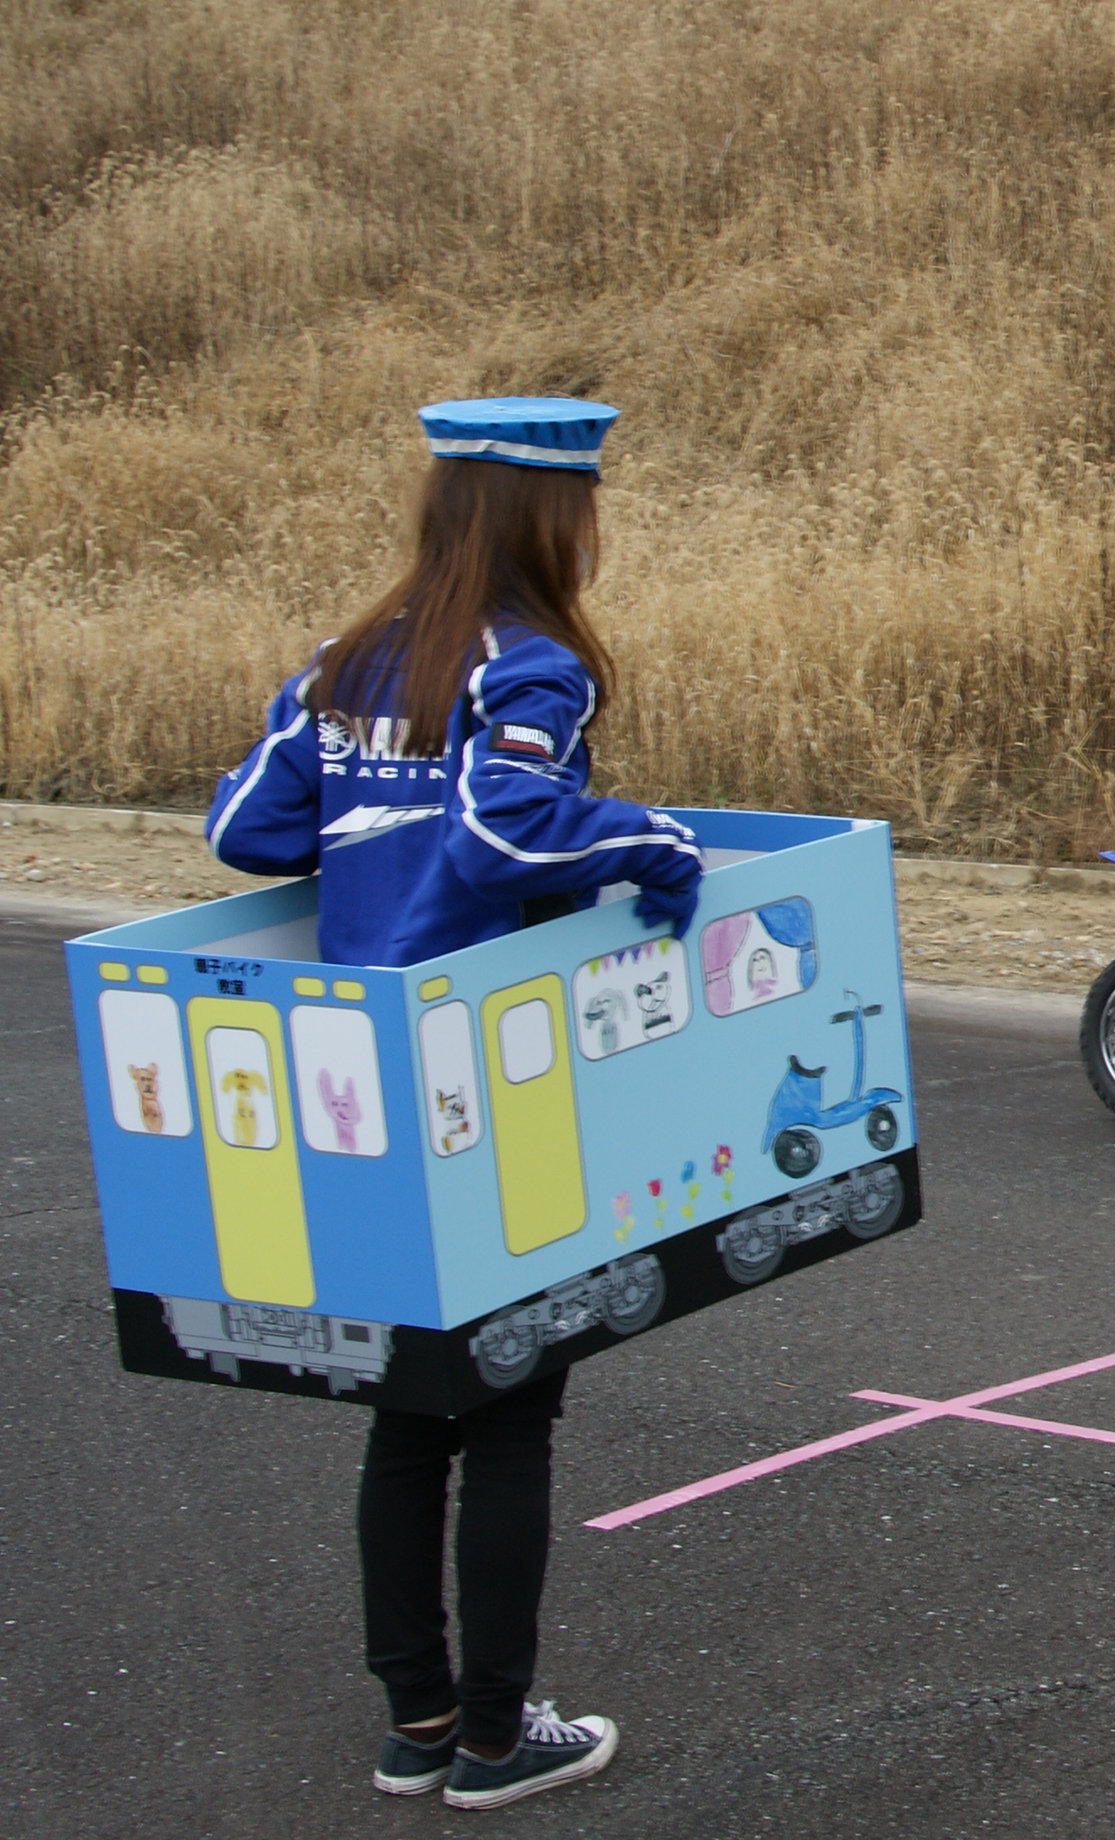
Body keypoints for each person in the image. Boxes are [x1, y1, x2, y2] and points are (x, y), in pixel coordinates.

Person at [206, 396, 704, 1808]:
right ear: (550, 517)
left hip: (358, 1080)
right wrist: (658, 842)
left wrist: (361, 795)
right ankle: (497, 1736)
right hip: (493, 1081)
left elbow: (248, 826)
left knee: (408, 1410)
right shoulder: (528, 662)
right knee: (508, 1416)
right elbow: (506, 827)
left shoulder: (347, 659)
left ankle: (416, 1723)